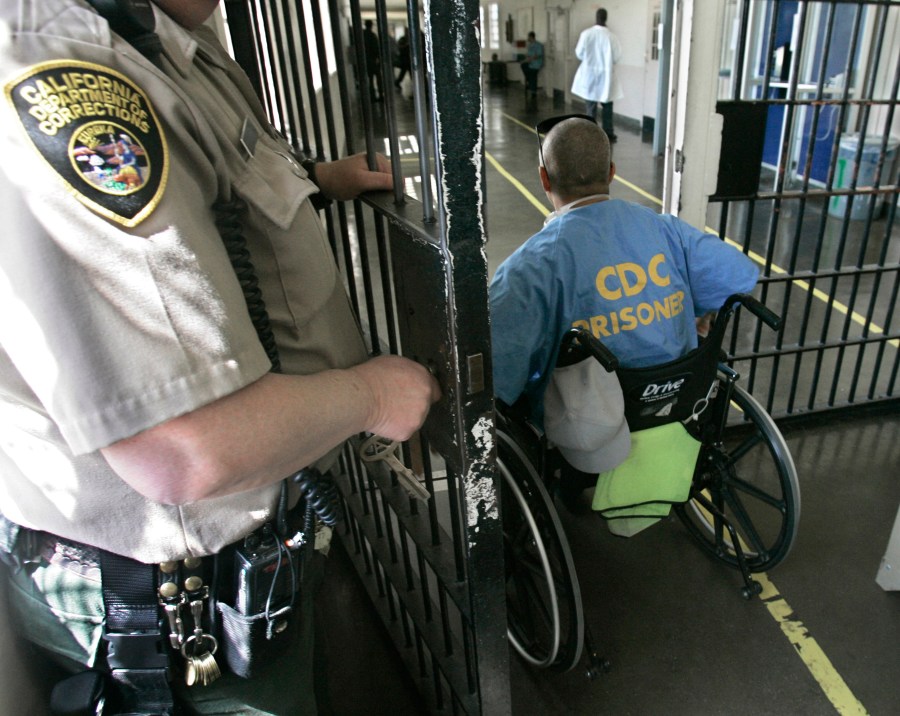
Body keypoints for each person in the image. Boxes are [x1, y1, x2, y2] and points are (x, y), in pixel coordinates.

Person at [0, 1, 440, 714]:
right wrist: (374, 397)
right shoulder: (65, 72)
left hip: (253, 551)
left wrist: (317, 179)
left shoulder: (173, 39)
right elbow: (182, 451)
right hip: (174, 608)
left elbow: (216, 187)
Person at [489, 117, 758, 504]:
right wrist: (696, 309)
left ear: (544, 180)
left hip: (590, 412)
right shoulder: (665, 229)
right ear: (612, 173)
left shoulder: (533, 264)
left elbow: (500, 368)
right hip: (676, 394)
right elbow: (738, 274)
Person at [571, 8, 623, 142]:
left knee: (590, 108)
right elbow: (617, 57)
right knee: (607, 108)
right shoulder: (611, 36)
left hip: (589, 76)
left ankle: (591, 135)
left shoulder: (586, 34)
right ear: (606, 18)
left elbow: (579, 54)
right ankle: (608, 134)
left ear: (596, 18)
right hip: (606, 77)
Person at [363, 18, 383, 102]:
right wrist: (378, 58)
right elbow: (376, 48)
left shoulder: (362, 35)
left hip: (365, 60)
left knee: (370, 79)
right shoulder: (372, 35)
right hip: (373, 60)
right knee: (378, 77)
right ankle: (380, 94)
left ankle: (372, 96)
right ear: (371, 25)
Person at [520, 31, 544, 97]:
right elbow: (528, 55)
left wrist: (530, 59)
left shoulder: (538, 45)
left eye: (529, 37)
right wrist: (525, 60)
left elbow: (538, 55)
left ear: (531, 37)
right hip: (531, 63)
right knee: (523, 65)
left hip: (536, 64)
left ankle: (533, 91)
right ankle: (529, 80)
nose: (528, 39)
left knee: (533, 74)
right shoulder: (530, 45)